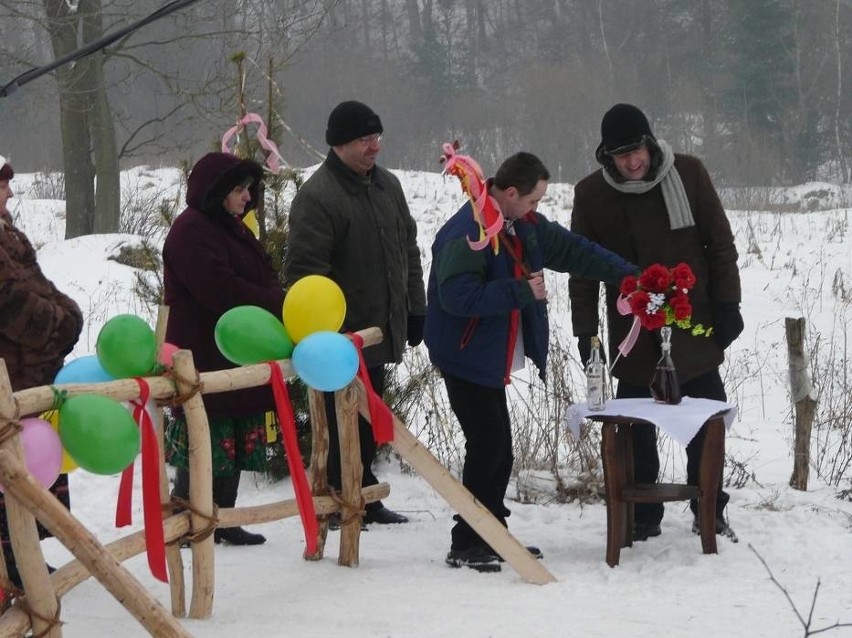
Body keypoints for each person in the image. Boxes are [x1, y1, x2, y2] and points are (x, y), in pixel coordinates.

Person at [424, 151, 637, 572]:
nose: (537, 208)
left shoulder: (522, 225)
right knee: (490, 448)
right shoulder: (469, 230)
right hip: (463, 356)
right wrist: (521, 291)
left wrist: (632, 276)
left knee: (495, 450)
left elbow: (576, 252)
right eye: (534, 200)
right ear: (510, 192)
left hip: (486, 356)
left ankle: (491, 532)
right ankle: (468, 541)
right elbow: (457, 298)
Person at [568, 103, 743, 542]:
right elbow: (583, 269)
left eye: (638, 150)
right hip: (632, 330)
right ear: (606, 156)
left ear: (650, 142)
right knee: (635, 429)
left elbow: (720, 244)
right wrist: (586, 331)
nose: (632, 161)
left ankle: (710, 509)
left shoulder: (690, 173)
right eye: (621, 154)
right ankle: (643, 515)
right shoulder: (591, 194)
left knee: (707, 421)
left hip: (692, 323)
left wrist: (728, 304)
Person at [283, 100, 427, 527]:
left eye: (377, 137)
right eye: (365, 139)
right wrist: (330, 333)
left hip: (380, 331)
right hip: (339, 340)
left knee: (367, 423)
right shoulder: (319, 197)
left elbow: (408, 249)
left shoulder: (388, 187)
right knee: (335, 419)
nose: (374, 147)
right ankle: (336, 501)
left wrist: (415, 308)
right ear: (341, 144)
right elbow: (304, 275)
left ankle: (363, 493)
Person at [163, 152, 285, 546]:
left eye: (249, 189)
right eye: (238, 189)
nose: (247, 197)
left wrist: (271, 298)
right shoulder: (190, 231)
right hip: (203, 352)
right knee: (204, 435)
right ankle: (188, 519)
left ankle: (224, 517)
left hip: (235, 351)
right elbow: (220, 288)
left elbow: (259, 274)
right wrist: (276, 303)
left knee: (230, 436)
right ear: (216, 192)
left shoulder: (232, 227)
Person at [0, 155, 83, 586]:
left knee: (30, 468)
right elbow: (11, 303)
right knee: (10, 472)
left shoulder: (9, 234)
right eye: (1, 185)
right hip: (8, 374)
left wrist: (67, 313)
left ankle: (22, 558)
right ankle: (13, 568)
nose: (9, 193)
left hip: (28, 374)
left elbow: (39, 285)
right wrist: (58, 325)